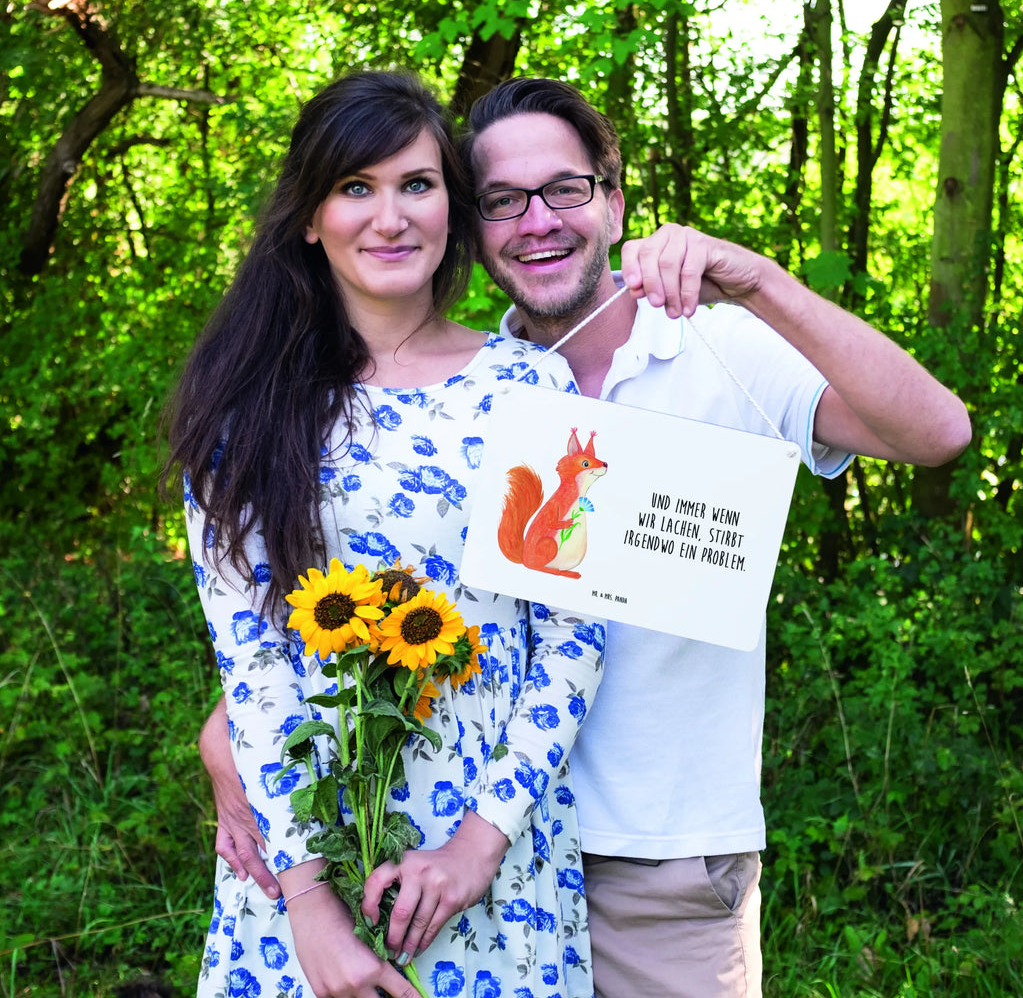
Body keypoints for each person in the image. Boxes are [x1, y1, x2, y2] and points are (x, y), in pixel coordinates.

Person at [202, 77, 972, 998]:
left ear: (614, 201)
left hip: (651, 863)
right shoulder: (466, 389)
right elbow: (338, 598)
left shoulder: (709, 348)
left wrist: (757, 280)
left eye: (564, 190)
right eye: (503, 200)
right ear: (474, 223)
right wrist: (234, 732)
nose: (537, 221)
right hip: (422, 846)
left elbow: (939, 433)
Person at [165, 71, 607, 998]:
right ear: (309, 217)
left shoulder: (530, 386)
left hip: (492, 857)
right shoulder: (245, 411)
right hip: (303, 855)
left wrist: (478, 846)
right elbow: (252, 662)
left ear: (453, 204)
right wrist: (310, 908)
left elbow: (574, 636)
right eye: (355, 187)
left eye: (417, 184)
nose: (391, 217)